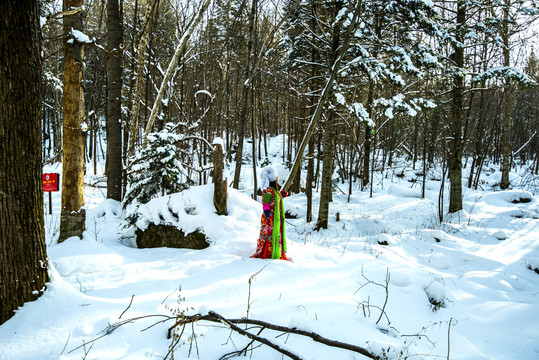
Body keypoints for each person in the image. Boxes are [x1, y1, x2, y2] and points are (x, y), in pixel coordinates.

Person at [251, 165, 289, 260]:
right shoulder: (268, 190)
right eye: (276, 176)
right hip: (270, 219)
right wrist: (268, 214)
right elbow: (266, 204)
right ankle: (268, 254)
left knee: (275, 235)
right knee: (269, 236)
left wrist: (281, 196)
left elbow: (274, 201)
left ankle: (274, 252)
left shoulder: (274, 191)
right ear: (274, 178)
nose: (277, 178)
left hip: (275, 219)